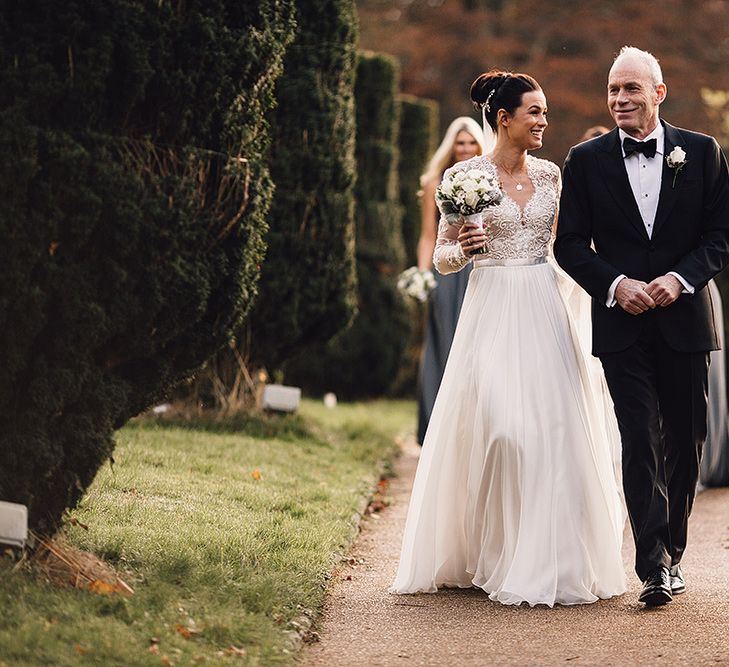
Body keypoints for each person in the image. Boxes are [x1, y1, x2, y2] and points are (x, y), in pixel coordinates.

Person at [391, 70, 626, 606]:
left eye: (545, 111)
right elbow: (443, 259)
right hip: (491, 308)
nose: (545, 120)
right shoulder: (463, 177)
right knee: (504, 430)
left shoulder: (550, 177)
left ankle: (546, 558)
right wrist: (466, 248)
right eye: (535, 112)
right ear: (504, 118)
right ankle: (490, 547)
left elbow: (568, 245)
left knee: (553, 431)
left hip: (544, 305)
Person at [555, 46, 729, 606]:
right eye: (613, 90)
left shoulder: (703, 153)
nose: (620, 99)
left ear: (659, 92)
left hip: (684, 319)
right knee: (638, 436)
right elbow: (570, 245)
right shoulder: (584, 161)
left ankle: (674, 551)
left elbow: (720, 238)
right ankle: (652, 565)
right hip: (621, 326)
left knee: (686, 436)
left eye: (631, 89)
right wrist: (615, 285)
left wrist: (680, 278)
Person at [416, 117, 488, 445]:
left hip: (479, 269)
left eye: (471, 143)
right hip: (446, 272)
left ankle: (473, 426)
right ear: (451, 147)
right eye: (460, 144)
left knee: (477, 344)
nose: (465, 149)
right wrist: (423, 274)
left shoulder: (489, 178)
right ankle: (437, 427)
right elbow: (428, 235)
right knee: (444, 342)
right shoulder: (435, 184)